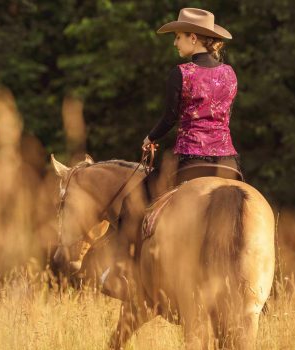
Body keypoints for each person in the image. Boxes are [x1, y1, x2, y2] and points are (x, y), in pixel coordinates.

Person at [102, 7, 242, 300]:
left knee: (132, 204)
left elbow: (170, 118)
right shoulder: (230, 74)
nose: (175, 43)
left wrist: (150, 138)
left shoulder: (182, 73)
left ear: (193, 38)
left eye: (178, 37)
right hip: (228, 161)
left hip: (189, 158)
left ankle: (125, 274)